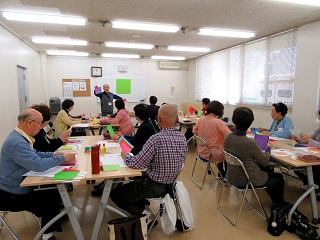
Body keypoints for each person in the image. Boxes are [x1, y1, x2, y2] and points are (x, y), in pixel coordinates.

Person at [0, 108, 76, 240]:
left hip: (16, 186)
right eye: (40, 124)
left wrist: (54, 154)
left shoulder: (20, 137)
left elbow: (36, 155)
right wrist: (62, 158)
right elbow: (39, 165)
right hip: (11, 194)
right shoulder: (17, 142)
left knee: (52, 192)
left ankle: (51, 221)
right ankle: (47, 234)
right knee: (51, 196)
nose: (41, 127)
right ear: (29, 123)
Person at [110, 104, 187, 226]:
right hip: (171, 184)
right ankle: (142, 204)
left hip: (155, 185)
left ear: (159, 119)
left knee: (115, 194)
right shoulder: (182, 139)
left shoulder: (156, 139)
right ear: (177, 118)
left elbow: (137, 163)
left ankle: (148, 218)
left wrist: (125, 155)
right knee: (134, 180)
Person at [224, 107, 285, 208]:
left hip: (231, 176)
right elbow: (265, 161)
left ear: (234, 121)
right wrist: (268, 148)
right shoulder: (249, 142)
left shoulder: (227, 137)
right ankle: (279, 205)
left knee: (266, 170)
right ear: (250, 122)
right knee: (278, 178)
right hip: (247, 179)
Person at [91, 103, 157, 196]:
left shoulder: (145, 126)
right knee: (117, 155)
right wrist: (122, 137)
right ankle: (105, 184)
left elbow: (133, 144)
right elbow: (135, 139)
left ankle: (106, 187)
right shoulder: (147, 123)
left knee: (117, 159)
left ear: (137, 116)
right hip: (138, 151)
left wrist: (119, 139)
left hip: (138, 154)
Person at [193, 101, 231, 177]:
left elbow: (194, 131)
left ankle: (221, 173)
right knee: (228, 152)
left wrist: (204, 136)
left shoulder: (201, 119)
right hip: (214, 154)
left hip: (202, 152)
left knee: (219, 148)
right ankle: (224, 175)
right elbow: (229, 136)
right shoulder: (219, 122)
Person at [292, 110, 320, 198]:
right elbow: (310, 138)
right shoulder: (319, 130)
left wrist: (309, 140)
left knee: (312, 168)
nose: (318, 119)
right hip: (313, 154)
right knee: (297, 166)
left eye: (319, 117)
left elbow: (313, 142)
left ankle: (316, 188)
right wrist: (299, 139)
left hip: (317, 157)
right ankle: (312, 186)